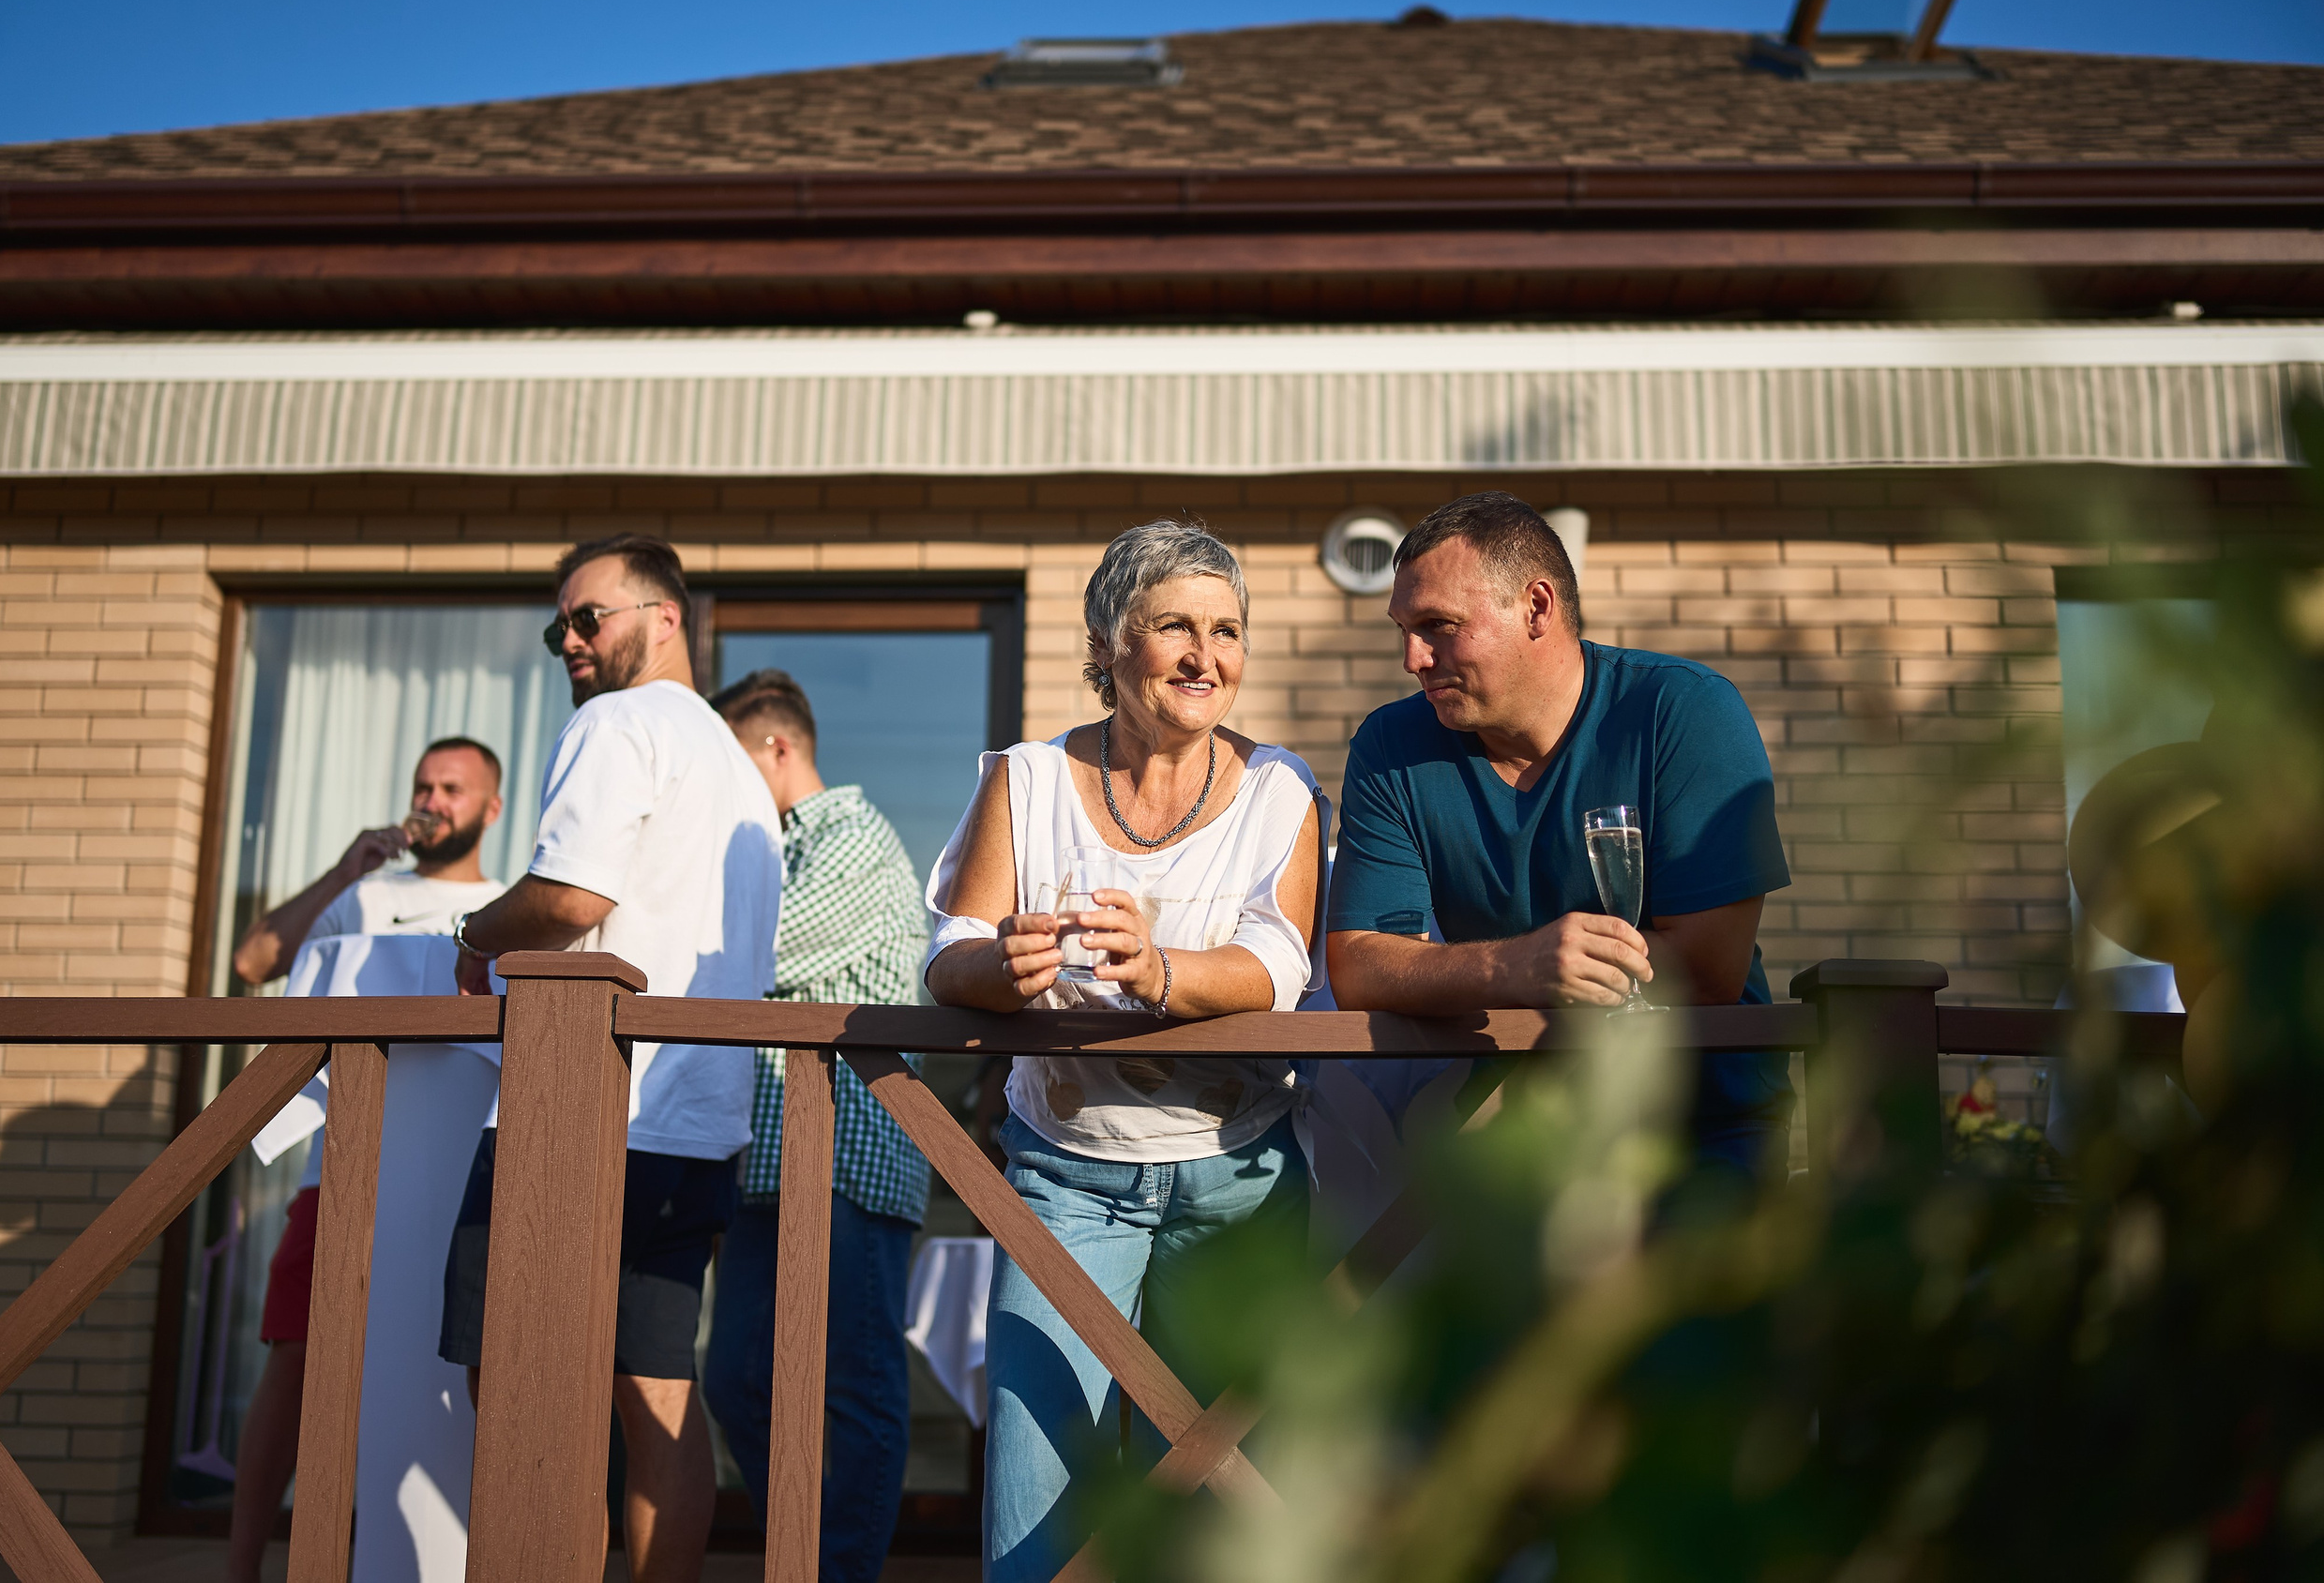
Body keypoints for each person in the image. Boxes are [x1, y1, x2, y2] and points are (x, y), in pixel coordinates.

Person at [925, 520, 1326, 1583]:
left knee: (1219, 1507)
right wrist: (1002, 964)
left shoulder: (1282, 790)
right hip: (1063, 1181)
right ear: (1108, 642)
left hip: (1238, 1183)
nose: (1207, 657)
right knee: (1034, 1499)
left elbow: (1278, 967)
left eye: (1227, 632)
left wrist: (1157, 972)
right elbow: (951, 952)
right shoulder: (1027, 777)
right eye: (1175, 629)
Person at [438, 535, 782, 1583]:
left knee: (523, 1408)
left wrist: (469, 936)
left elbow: (571, 898)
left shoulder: (616, 723)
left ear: (665, 618)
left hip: (577, 1112)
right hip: (698, 1124)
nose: (571, 642)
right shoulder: (742, 775)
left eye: (589, 618)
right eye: (560, 628)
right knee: (655, 1403)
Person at [1325, 491, 1794, 1174]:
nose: (1413, 658)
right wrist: (1517, 964)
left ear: (1537, 607)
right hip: (1513, 1143)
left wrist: (1502, 972)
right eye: (1403, 628)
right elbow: (1361, 965)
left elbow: (1710, 965)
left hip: (1702, 1127)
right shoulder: (1390, 744)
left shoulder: (1682, 709)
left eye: (1437, 625)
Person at [224, 737, 506, 1583]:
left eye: (453, 788)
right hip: (338, 1175)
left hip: (456, 1179)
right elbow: (253, 962)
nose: (432, 800)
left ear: (491, 808)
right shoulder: (365, 894)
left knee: (451, 1371)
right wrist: (347, 867)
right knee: (298, 1355)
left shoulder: (505, 907)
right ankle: (242, 1566)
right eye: (424, 784)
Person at [702, 668, 930, 1583]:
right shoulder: (772, 848)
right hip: (766, 1165)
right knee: (739, 1383)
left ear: (778, 748)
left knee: (855, 1384)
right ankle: (808, 1556)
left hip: (848, 1160)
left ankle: (837, 1571)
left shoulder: (853, 838)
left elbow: (761, 953)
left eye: (727, 766)